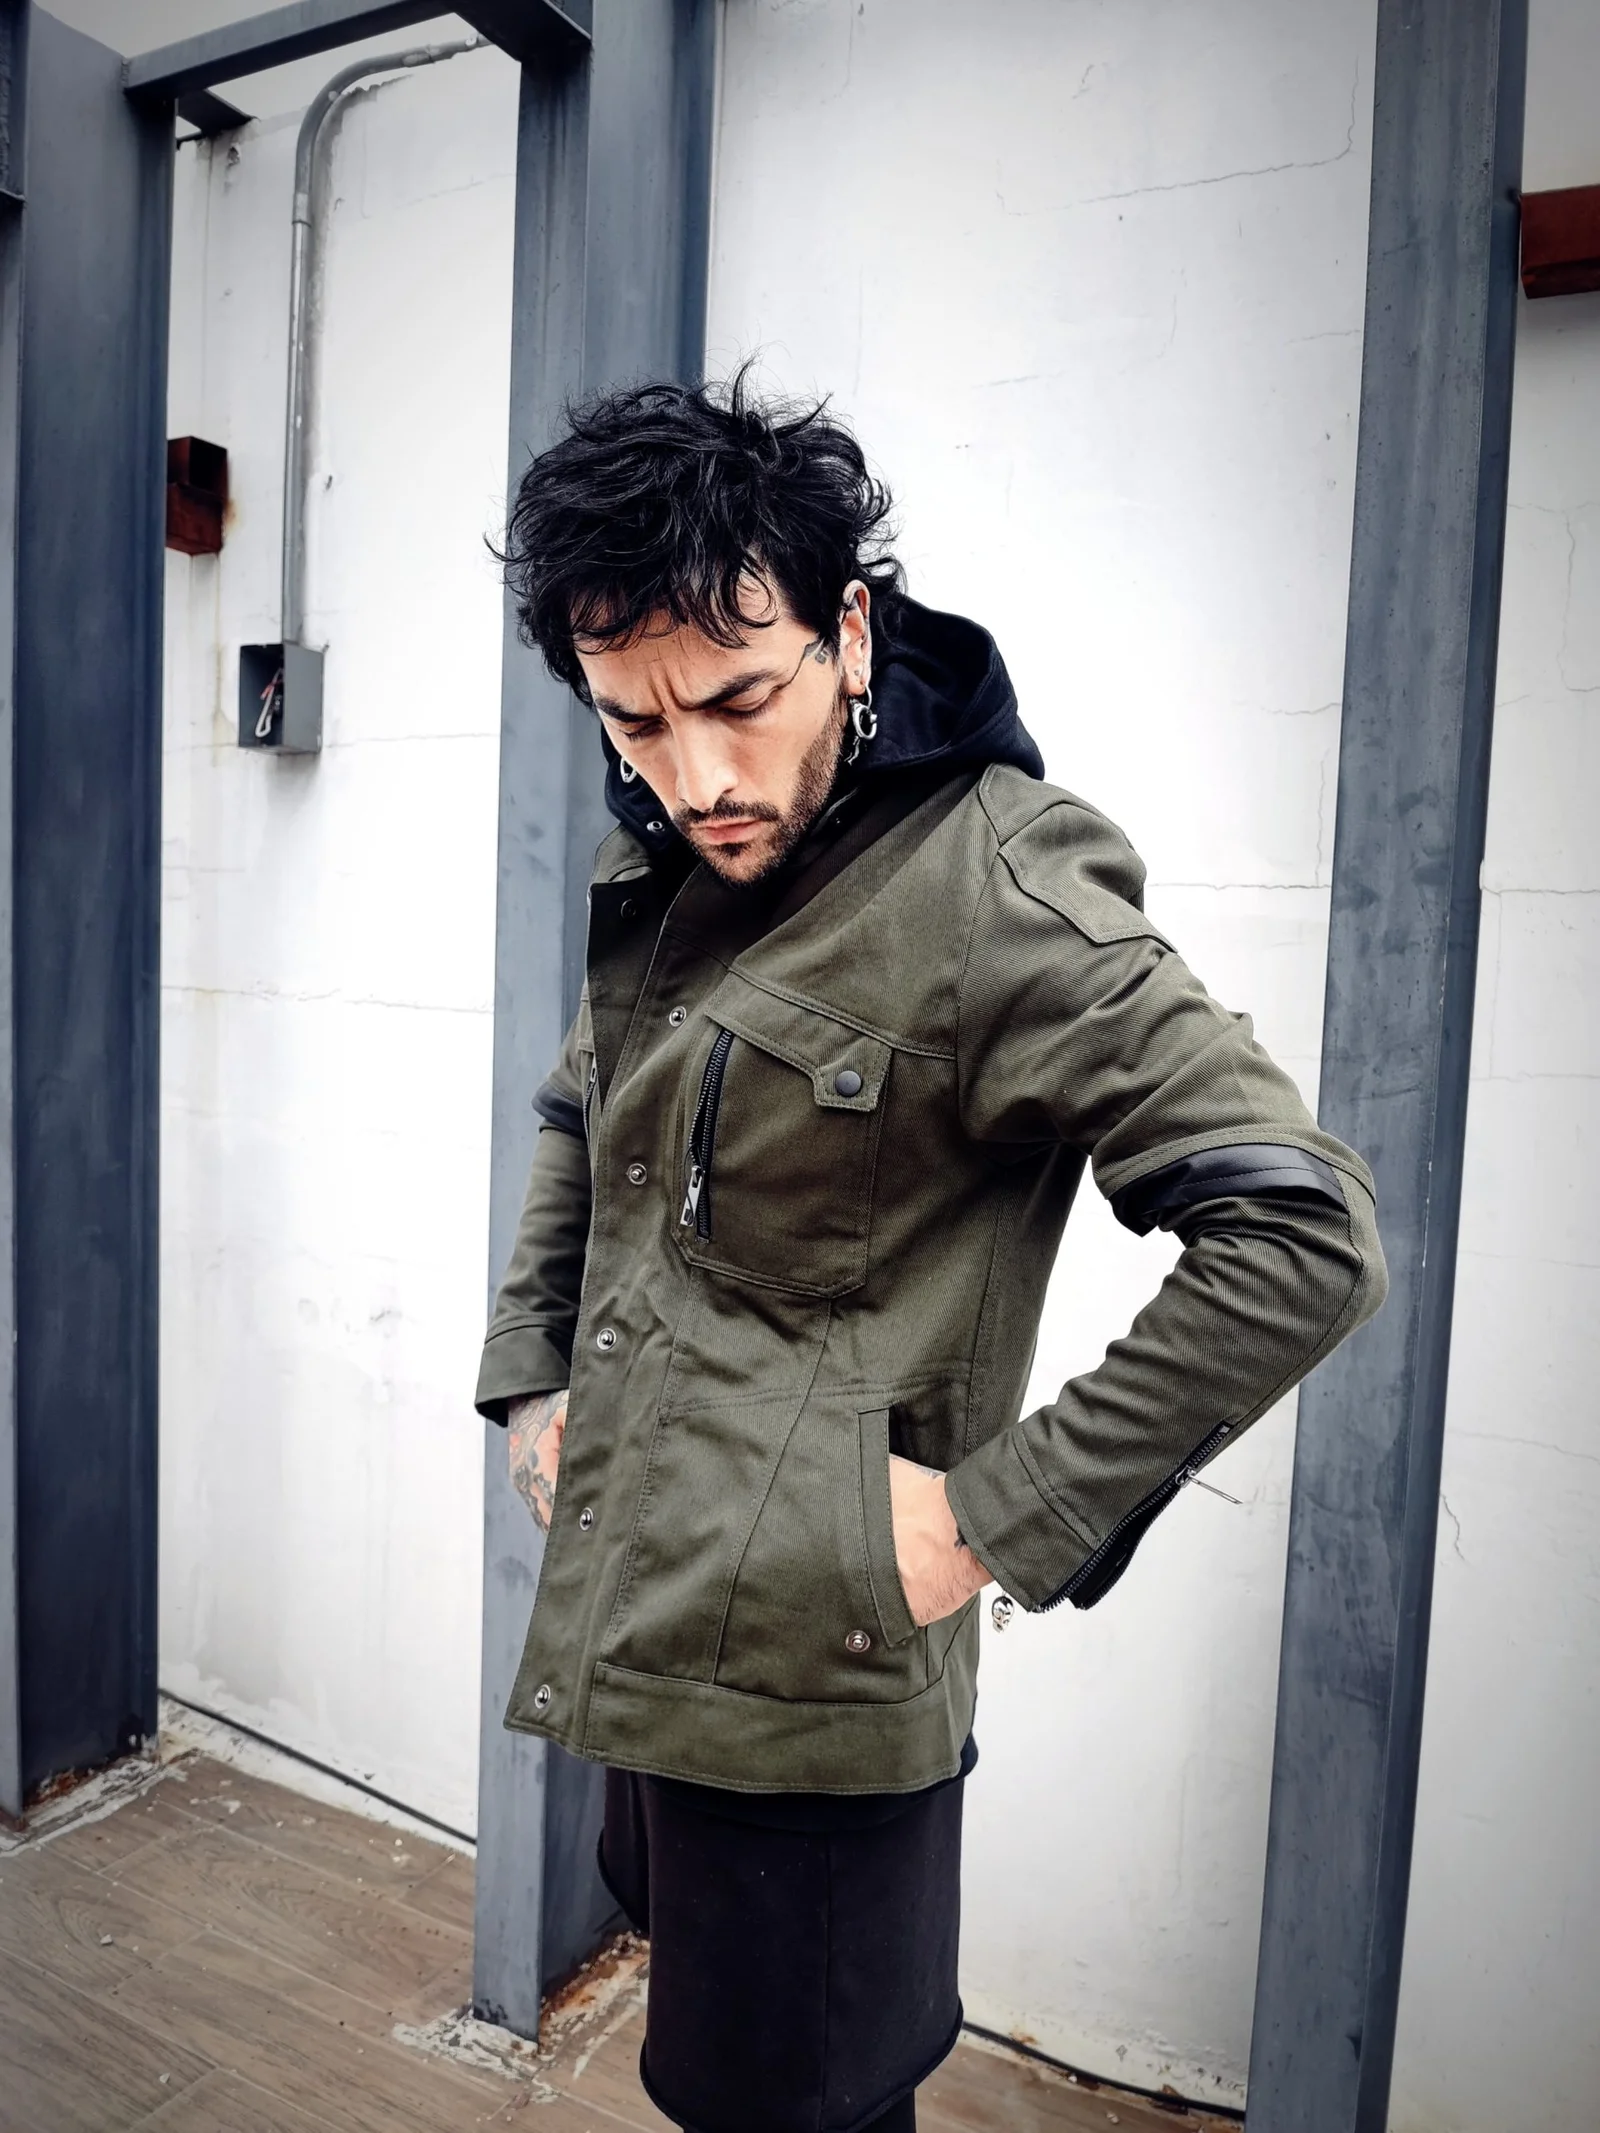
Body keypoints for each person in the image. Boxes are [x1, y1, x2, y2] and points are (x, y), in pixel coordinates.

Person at [474, 374, 1387, 2133]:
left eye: (740, 700)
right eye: (635, 719)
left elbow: (1304, 1235)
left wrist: (988, 1518)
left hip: (815, 1676)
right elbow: (587, 1103)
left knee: (798, 2100)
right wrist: (532, 1375)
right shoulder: (666, 844)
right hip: (640, 1599)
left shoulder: (997, 893)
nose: (696, 775)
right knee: (712, 2060)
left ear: (847, 631)